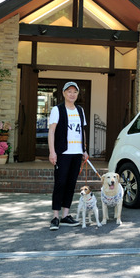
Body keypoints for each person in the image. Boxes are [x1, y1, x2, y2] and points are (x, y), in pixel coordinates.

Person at [48, 81, 89, 230]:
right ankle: (55, 217)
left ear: (77, 94)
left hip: (76, 153)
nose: (72, 94)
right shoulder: (57, 110)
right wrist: (52, 152)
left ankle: (65, 215)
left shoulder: (80, 110)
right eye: (69, 91)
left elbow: (81, 131)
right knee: (60, 183)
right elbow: (51, 131)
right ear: (64, 93)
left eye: (75, 92)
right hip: (63, 153)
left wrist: (84, 149)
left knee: (71, 184)